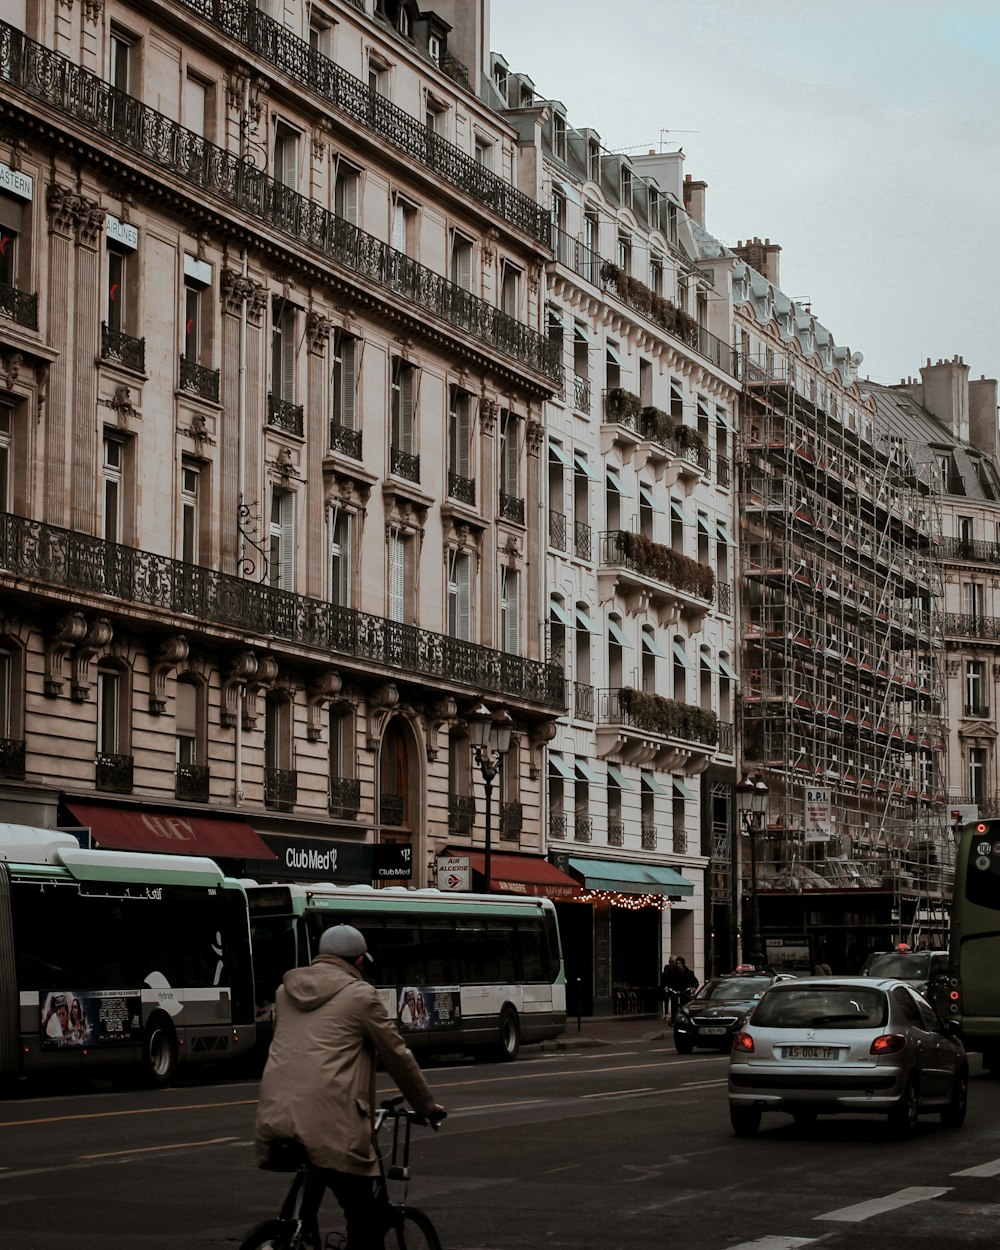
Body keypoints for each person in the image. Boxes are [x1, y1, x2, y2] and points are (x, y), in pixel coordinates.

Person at [255, 924, 446, 1250]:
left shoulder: (284, 993)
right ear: (359, 962)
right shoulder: (361, 996)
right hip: (333, 1126)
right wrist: (427, 1106)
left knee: (310, 1189)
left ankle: (293, 1232)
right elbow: (397, 1056)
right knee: (366, 1219)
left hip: (278, 1118)